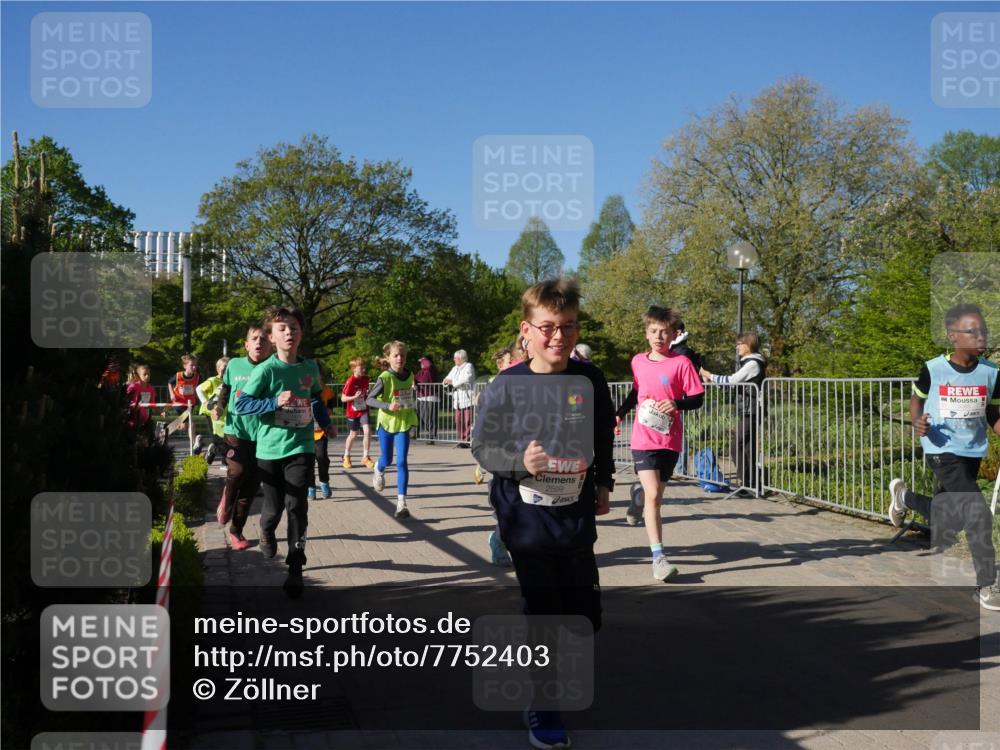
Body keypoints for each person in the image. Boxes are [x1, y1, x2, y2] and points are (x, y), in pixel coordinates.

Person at [472, 278, 614, 750]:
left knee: (583, 617)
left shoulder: (590, 379)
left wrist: (605, 482)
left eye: (568, 326)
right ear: (526, 330)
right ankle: (543, 704)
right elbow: (482, 447)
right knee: (545, 610)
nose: (559, 336)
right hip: (525, 517)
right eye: (548, 327)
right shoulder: (507, 384)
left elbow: (603, 435)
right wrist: (520, 463)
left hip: (574, 511)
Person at [888, 303, 1000, 611]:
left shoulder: (992, 373)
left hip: (972, 450)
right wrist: (917, 421)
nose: (981, 337)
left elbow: (992, 413)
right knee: (978, 512)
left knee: (945, 519)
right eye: (972, 331)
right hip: (940, 449)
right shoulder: (933, 369)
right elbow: (917, 400)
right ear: (953, 336)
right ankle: (987, 585)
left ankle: (904, 497)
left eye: (984, 331)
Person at [236, 306, 335, 598]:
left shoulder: (310, 368)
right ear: (271, 336)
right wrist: (273, 402)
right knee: (274, 507)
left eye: (294, 327)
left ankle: (295, 567)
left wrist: (326, 423)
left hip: (301, 445)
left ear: (301, 333)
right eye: (282, 329)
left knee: (297, 505)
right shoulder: (266, 370)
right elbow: (242, 405)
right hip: (269, 449)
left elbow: (315, 398)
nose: (289, 332)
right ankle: (266, 530)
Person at [615, 306, 704, 581]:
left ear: (674, 335)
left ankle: (637, 497)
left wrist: (676, 403)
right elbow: (636, 391)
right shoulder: (638, 361)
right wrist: (619, 414)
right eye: (653, 331)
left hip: (670, 439)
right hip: (643, 438)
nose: (658, 337)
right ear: (646, 333)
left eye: (664, 332)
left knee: (654, 497)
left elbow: (697, 398)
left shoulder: (682, 363)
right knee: (654, 495)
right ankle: (659, 558)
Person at [214, 325, 272, 551]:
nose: (259, 342)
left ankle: (236, 531)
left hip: (262, 434)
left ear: (270, 345)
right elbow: (226, 390)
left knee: (250, 487)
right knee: (237, 471)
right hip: (235, 431)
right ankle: (226, 503)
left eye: (264, 339)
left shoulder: (274, 367)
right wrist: (219, 407)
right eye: (254, 339)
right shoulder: (234, 365)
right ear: (246, 344)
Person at [700, 333, 766, 495]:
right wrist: (713, 379)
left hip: (752, 410)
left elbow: (732, 380)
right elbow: (731, 384)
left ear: (749, 345)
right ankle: (752, 485)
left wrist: (709, 375)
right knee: (747, 448)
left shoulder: (752, 363)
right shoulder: (749, 362)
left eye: (739, 344)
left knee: (737, 447)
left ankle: (748, 484)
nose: (737, 347)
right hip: (749, 410)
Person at [367, 341, 418, 519]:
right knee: (387, 459)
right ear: (388, 358)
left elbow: (408, 397)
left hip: (403, 424)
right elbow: (369, 399)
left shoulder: (410, 375)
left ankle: (401, 503)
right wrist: (388, 405)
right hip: (386, 424)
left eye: (402, 355)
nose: (399, 358)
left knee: (402, 461)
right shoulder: (385, 377)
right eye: (395, 355)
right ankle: (378, 468)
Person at [341, 358, 374, 469]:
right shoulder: (350, 381)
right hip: (353, 411)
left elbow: (365, 392)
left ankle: (365, 457)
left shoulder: (366, 379)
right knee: (353, 434)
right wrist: (354, 397)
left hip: (363, 409)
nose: (364, 369)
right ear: (354, 369)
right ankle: (346, 456)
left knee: (367, 431)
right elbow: (343, 398)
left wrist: (368, 394)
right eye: (361, 368)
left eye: (364, 367)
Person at [310, 366, 337, 499]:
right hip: (305, 433)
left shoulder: (325, 390)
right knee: (308, 462)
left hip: (320, 432)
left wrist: (329, 410)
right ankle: (310, 487)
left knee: (322, 458)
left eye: (317, 375)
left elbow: (332, 400)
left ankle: (324, 482)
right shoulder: (301, 388)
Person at [196, 357, 229, 465]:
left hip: (223, 413)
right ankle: (220, 457)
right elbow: (199, 389)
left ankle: (213, 450)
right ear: (218, 369)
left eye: (229, 367)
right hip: (210, 412)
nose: (227, 369)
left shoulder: (230, 380)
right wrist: (205, 402)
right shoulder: (213, 380)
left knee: (225, 439)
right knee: (219, 439)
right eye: (225, 367)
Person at [443, 349, 475, 448]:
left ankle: (467, 440)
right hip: (457, 399)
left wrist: (453, 382)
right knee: (458, 420)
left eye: (455, 358)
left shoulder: (468, 366)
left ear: (461, 358)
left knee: (468, 420)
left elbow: (466, 379)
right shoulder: (455, 368)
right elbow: (446, 379)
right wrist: (448, 382)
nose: (454, 359)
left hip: (467, 397)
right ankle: (461, 439)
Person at [414, 356, 441, 443]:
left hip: (430, 397)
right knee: (415, 416)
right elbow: (415, 379)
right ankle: (414, 433)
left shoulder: (431, 369)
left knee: (429, 418)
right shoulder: (421, 371)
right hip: (420, 396)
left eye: (422, 362)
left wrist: (424, 359)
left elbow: (428, 365)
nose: (421, 364)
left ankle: (431, 437)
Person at [125, 363, 155, 430]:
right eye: (145, 374)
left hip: (143, 417)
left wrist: (161, 412)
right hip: (132, 417)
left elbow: (152, 403)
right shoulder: (131, 386)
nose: (147, 376)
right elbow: (126, 402)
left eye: (148, 374)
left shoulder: (150, 388)